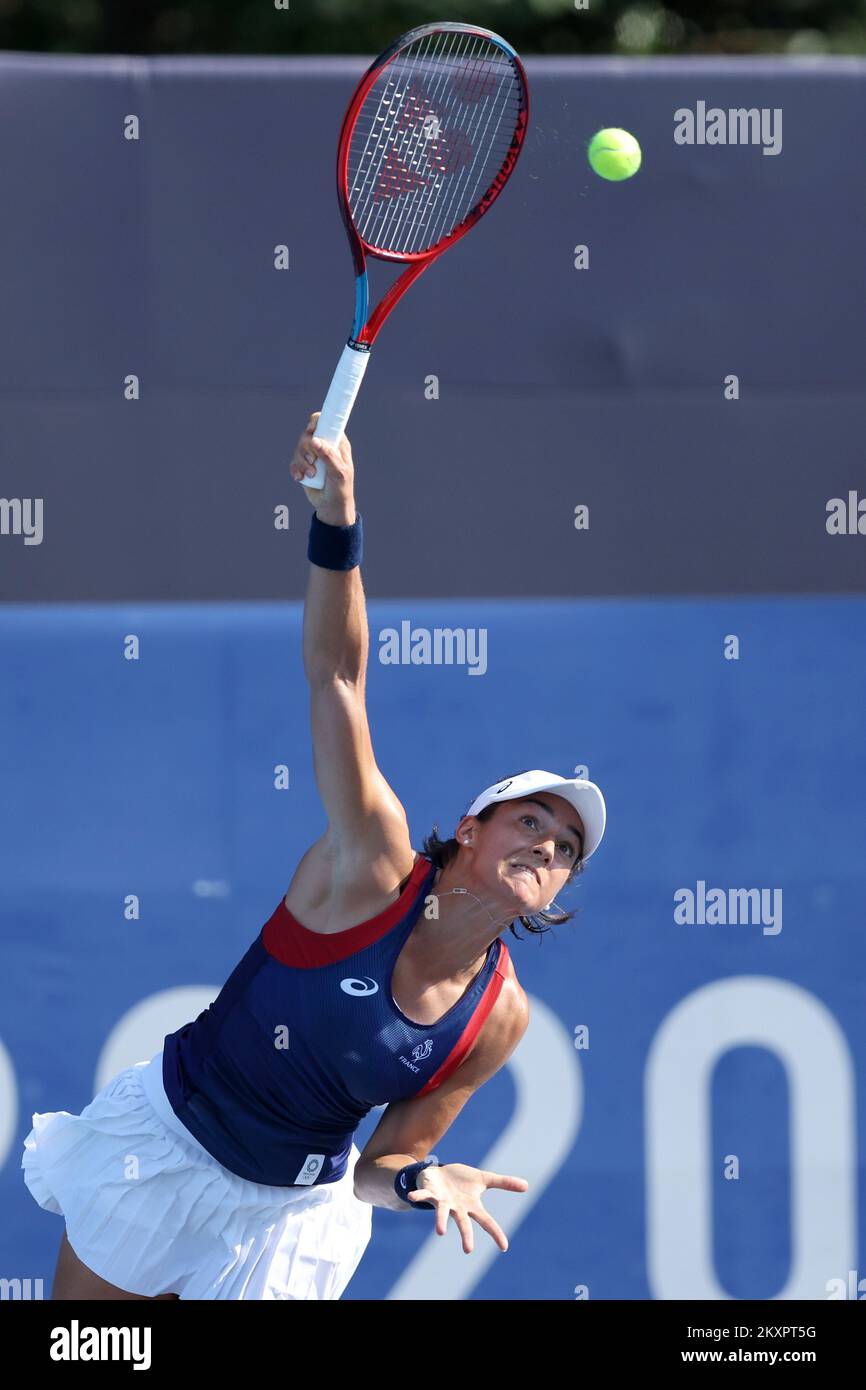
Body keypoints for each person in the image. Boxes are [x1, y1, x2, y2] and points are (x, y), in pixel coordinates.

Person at [21, 414, 606, 1300]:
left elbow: (384, 1165)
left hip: (297, 1217)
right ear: (473, 829)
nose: (546, 846)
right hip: (168, 1150)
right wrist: (338, 524)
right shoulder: (373, 862)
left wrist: (419, 1179)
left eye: (565, 848)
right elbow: (338, 675)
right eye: (530, 821)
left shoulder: (498, 1019)